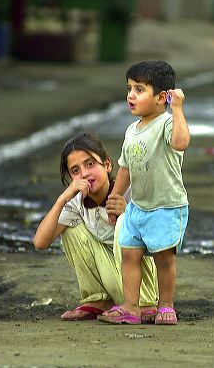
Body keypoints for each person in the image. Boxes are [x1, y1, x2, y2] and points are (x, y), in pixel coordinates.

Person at [98, 60, 190, 326]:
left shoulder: (167, 124)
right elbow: (125, 169)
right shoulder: (131, 131)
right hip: (138, 208)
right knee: (129, 254)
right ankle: (131, 306)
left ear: (162, 97)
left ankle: (166, 306)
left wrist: (178, 108)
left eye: (139, 89)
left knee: (164, 258)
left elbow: (182, 142)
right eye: (129, 88)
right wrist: (114, 199)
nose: (130, 95)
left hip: (166, 206)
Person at [33, 132, 158, 322]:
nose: (84, 173)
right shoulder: (77, 203)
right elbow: (40, 242)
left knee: (124, 223)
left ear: (107, 164)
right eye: (75, 170)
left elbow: (158, 242)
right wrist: (63, 199)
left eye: (90, 164)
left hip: (141, 288)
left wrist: (129, 214)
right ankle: (98, 301)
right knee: (70, 228)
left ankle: (144, 306)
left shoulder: (131, 192)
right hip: (113, 283)